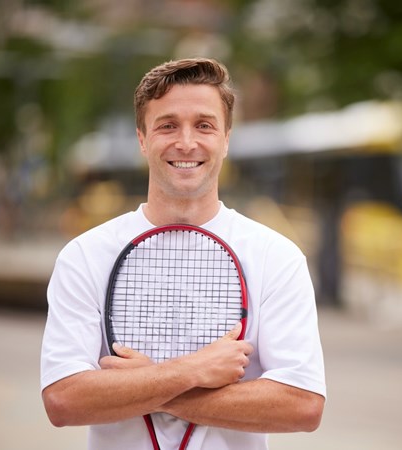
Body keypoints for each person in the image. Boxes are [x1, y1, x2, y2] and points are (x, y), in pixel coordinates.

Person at [40, 57, 326, 450]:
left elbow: (302, 406)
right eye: (168, 125)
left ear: (226, 139)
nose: (187, 142)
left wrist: (146, 383)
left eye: (204, 125)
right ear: (142, 138)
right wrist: (193, 370)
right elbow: (63, 401)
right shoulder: (84, 256)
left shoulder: (277, 257)